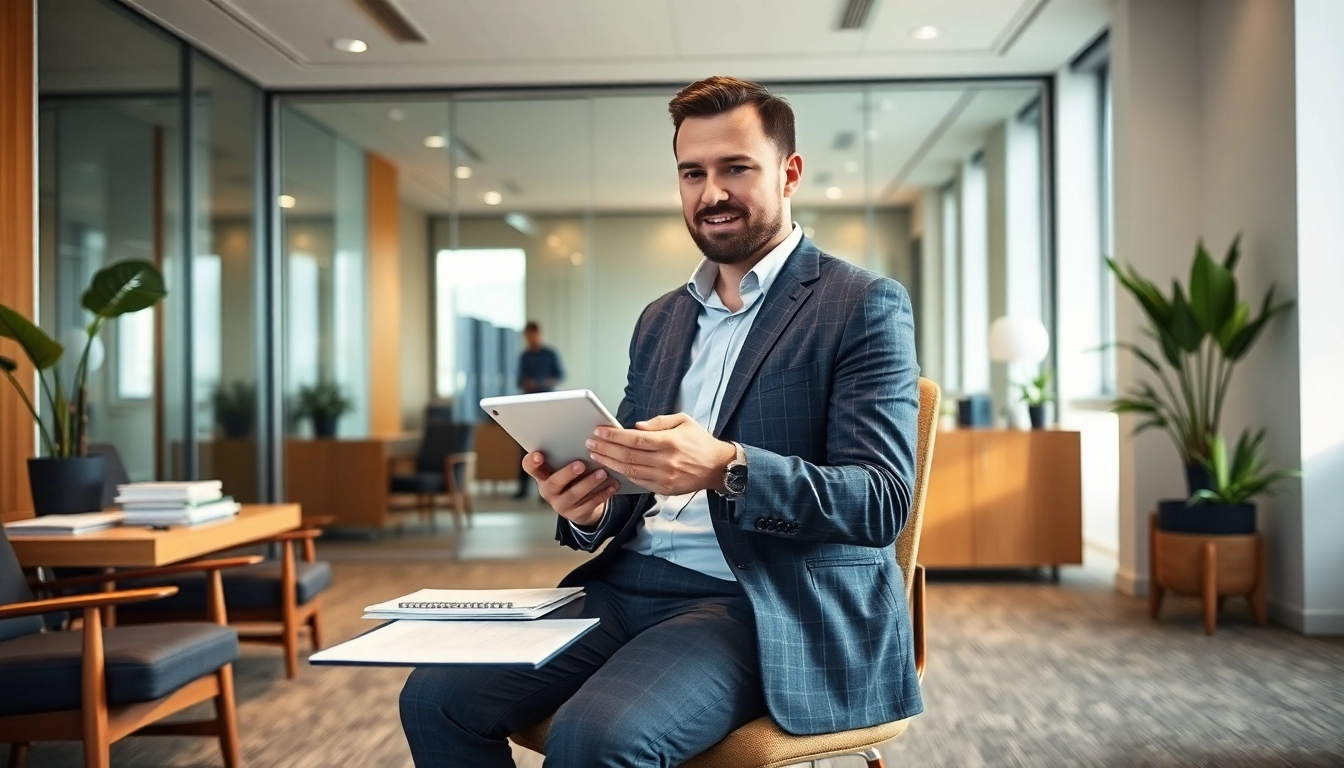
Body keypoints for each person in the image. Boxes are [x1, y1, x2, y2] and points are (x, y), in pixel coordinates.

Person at [400, 76, 922, 768]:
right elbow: (631, 477)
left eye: (736, 168)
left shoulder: (861, 304)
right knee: (433, 698)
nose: (712, 193)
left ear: (790, 173)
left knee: (598, 737)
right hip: (628, 582)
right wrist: (588, 501)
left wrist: (725, 466)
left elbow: (882, 500)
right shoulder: (661, 319)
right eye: (693, 173)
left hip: (760, 600)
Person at [514, 321, 565, 498]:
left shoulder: (550, 354)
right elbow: (519, 380)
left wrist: (543, 383)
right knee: (525, 445)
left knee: (547, 446)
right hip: (528, 404)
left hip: (546, 404)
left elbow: (560, 375)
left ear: (539, 334)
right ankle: (522, 489)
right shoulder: (524, 357)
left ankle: (548, 488)